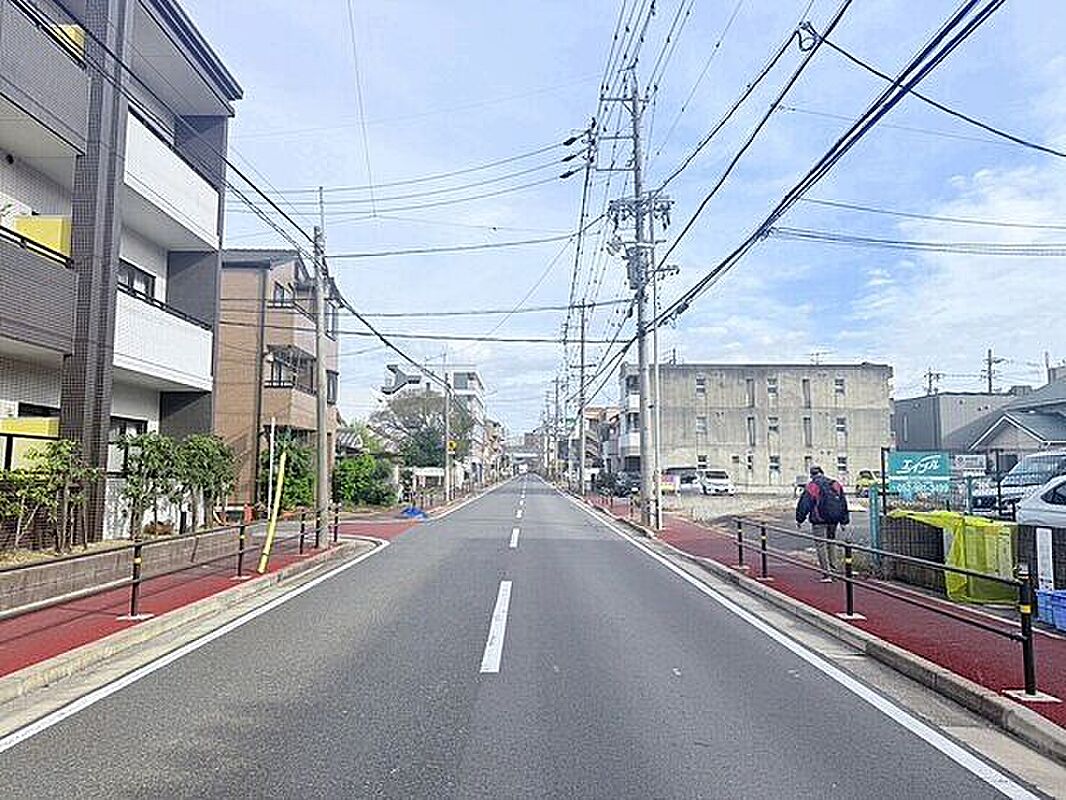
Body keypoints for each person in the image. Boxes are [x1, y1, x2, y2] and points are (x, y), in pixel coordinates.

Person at [795, 465, 850, 582]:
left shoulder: (813, 485)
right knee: (831, 543)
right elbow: (843, 502)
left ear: (812, 475)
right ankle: (834, 571)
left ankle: (827, 574)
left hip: (819, 520)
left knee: (821, 545)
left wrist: (799, 519)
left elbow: (804, 504)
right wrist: (844, 521)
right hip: (833, 520)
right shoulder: (835, 484)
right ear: (822, 472)